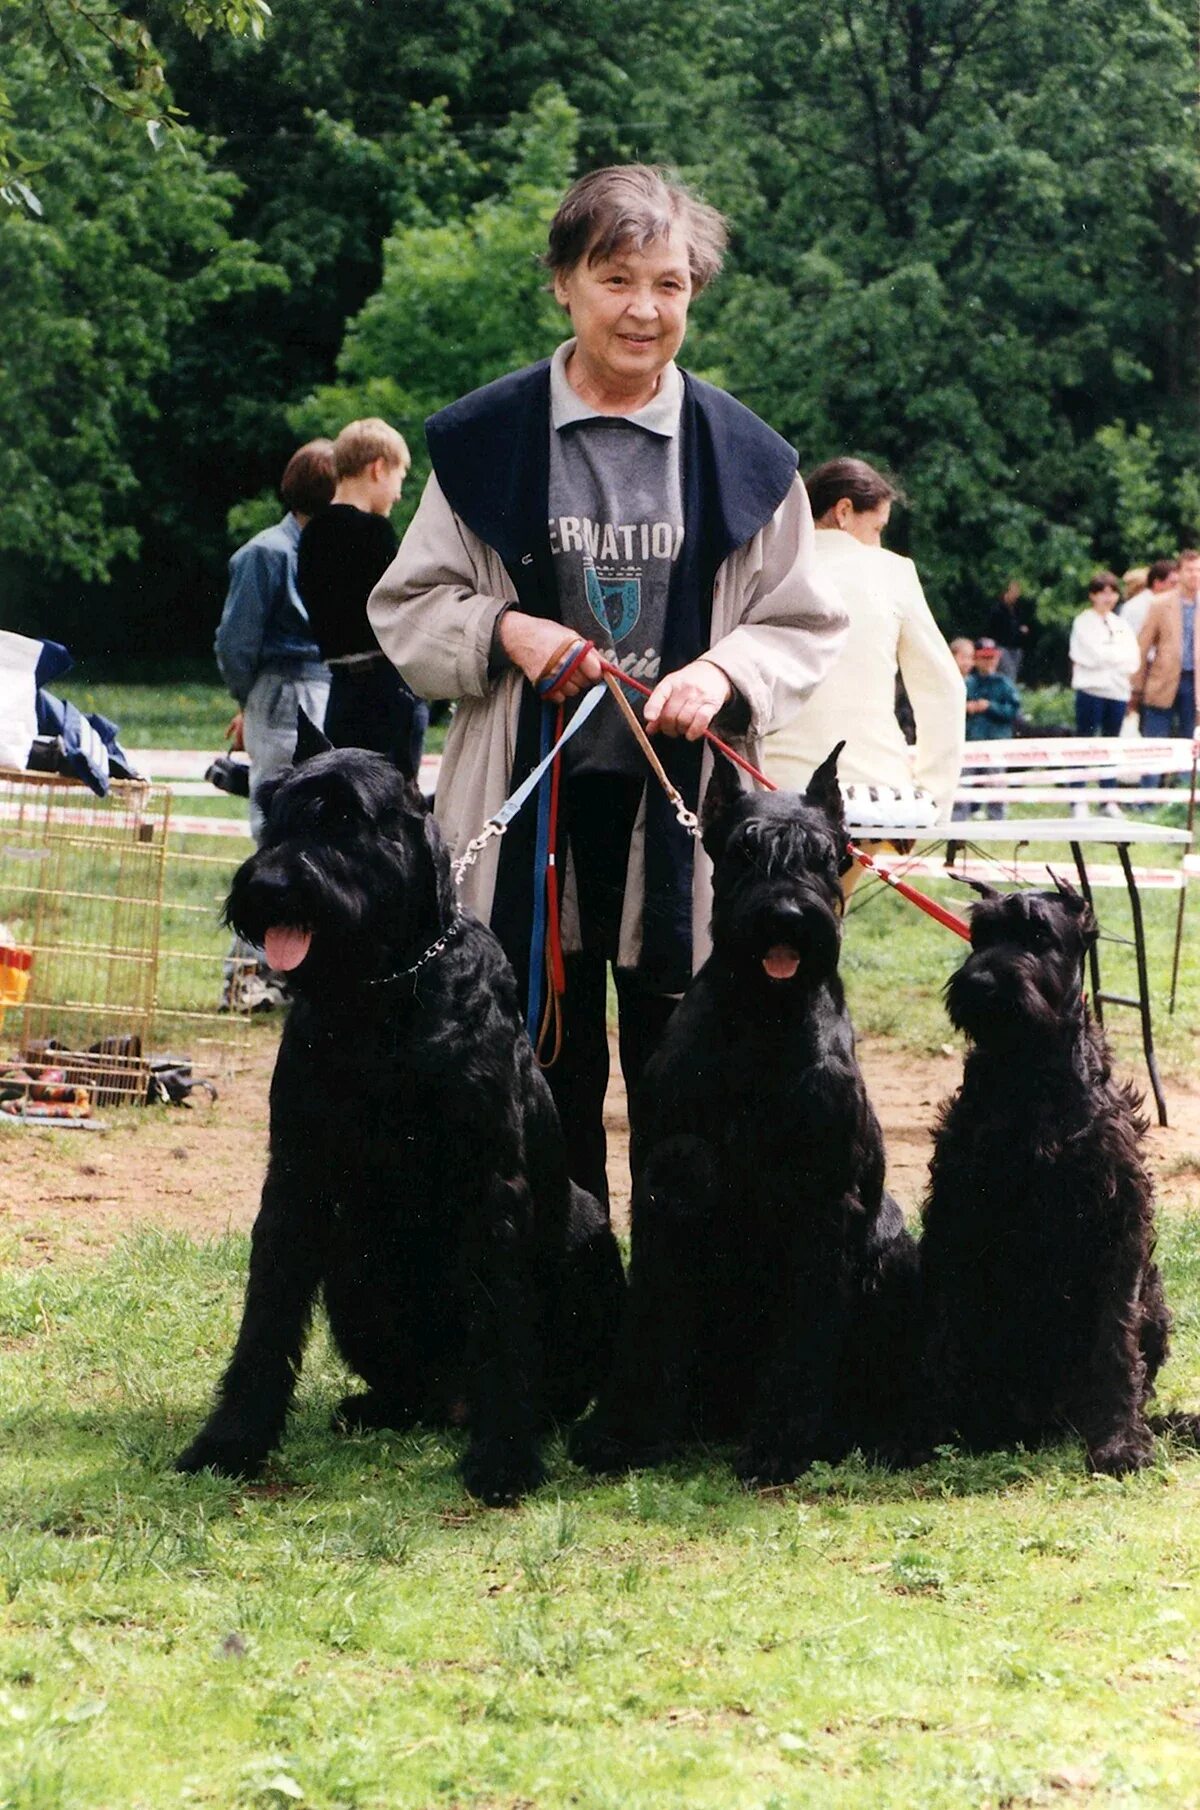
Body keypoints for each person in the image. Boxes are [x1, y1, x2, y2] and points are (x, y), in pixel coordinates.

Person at [367, 163, 849, 1207]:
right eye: (617, 278)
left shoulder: (747, 458)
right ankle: (554, 1334)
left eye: (669, 285)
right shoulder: (484, 443)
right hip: (525, 804)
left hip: (681, 822)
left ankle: (679, 1355)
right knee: (537, 1081)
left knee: (695, 1089)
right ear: (563, 283)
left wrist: (723, 669)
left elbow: (803, 621)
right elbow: (407, 610)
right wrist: (506, 627)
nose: (644, 309)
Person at [764, 457, 965, 819]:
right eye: (877, 528)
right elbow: (945, 689)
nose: (879, 542)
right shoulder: (894, 570)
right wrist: (937, 797)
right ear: (843, 511)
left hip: (770, 787)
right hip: (873, 792)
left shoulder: (763, 567)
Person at [214, 439, 336, 842]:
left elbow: (235, 644)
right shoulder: (266, 554)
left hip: (298, 694)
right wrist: (248, 702)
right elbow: (238, 643)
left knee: (294, 814)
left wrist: (248, 700)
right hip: (292, 692)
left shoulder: (298, 551)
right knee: (281, 814)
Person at [298, 418, 427, 778]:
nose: (398, 493)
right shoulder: (374, 532)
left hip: (341, 690)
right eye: (398, 478)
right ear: (378, 468)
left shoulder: (310, 536)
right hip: (386, 689)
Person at [1069, 571, 1140, 819]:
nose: (1108, 597)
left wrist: (1112, 658)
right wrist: (1113, 657)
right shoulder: (1083, 622)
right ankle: (1077, 797)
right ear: (1093, 595)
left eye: (1112, 592)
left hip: (1117, 691)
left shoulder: (1121, 625)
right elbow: (1093, 654)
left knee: (1111, 744)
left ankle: (1107, 798)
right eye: (1103, 592)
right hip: (1091, 689)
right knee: (1085, 742)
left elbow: (1132, 659)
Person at [963, 637, 1020, 819]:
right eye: (983, 657)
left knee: (996, 782)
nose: (988, 662)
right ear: (976, 659)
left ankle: (997, 819)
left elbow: (1013, 710)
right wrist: (968, 707)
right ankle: (959, 817)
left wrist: (990, 706)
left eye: (991, 657)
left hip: (996, 740)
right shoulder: (967, 683)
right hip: (972, 739)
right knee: (964, 782)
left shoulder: (1004, 683)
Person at [986, 580, 1038, 682]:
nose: (1016, 595)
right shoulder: (997, 609)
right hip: (1002, 646)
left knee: (1013, 673)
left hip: (1016, 647)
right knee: (1009, 673)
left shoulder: (1017, 608)